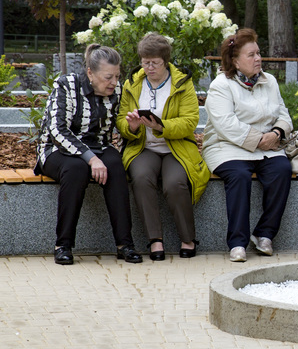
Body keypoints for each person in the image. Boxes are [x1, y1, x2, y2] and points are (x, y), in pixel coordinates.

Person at [35, 44, 142, 265]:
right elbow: (57, 130)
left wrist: (132, 129)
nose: (113, 82)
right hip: (57, 150)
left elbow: (117, 130)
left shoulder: (116, 90)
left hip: (99, 146)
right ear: (90, 73)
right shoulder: (66, 85)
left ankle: (125, 244)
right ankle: (63, 245)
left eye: (117, 76)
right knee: (76, 169)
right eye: (108, 77)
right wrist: (91, 158)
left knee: (115, 166)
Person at [117, 33, 210, 260]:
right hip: (143, 147)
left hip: (175, 147)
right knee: (140, 178)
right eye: (144, 62)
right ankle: (155, 240)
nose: (149, 67)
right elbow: (120, 119)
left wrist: (161, 126)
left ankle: (187, 238)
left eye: (154, 63)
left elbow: (190, 122)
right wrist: (132, 126)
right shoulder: (132, 84)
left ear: (165, 61)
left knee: (175, 183)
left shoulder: (182, 84)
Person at [203, 28, 293, 263]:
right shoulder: (221, 85)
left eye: (259, 53)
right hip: (227, 146)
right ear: (235, 61)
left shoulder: (269, 81)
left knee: (282, 170)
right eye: (251, 55)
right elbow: (225, 124)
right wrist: (258, 140)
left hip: (266, 146)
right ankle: (237, 243)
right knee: (239, 176)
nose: (258, 58)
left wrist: (276, 132)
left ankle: (265, 234)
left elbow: (284, 115)